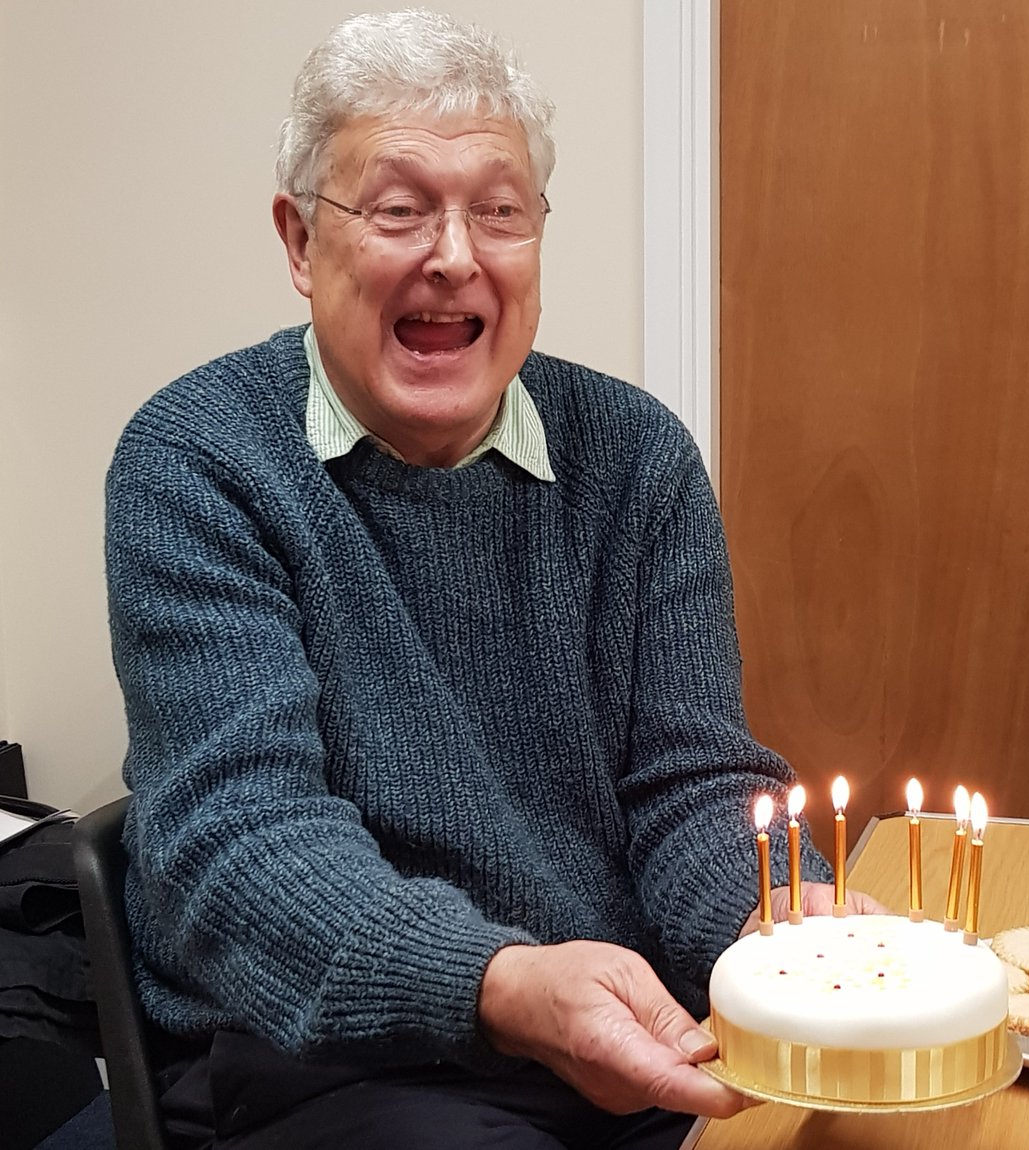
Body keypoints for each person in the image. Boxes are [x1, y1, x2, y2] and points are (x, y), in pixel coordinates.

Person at [104, 10, 883, 1149]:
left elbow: (690, 781)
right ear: (300, 241)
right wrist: (501, 984)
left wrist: (778, 929)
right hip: (330, 1057)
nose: (455, 256)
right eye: (399, 207)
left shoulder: (636, 453)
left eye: (499, 211)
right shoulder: (198, 459)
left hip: (628, 1019)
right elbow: (243, 839)